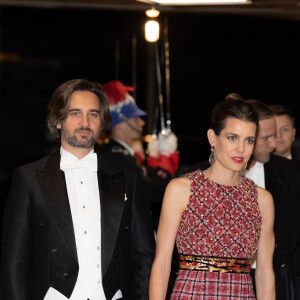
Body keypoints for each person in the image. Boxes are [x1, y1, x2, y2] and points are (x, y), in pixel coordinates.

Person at [1, 79, 155, 300]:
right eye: (75, 113)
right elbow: (13, 262)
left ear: (102, 122)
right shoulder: (28, 178)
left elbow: (144, 256)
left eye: (93, 114)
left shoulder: (128, 177)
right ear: (58, 121)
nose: (85, 122)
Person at [150, 93, 275, 299]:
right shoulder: (181, 189)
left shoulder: (262, 200)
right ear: (212, 138)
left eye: (249, 140)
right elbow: (162, 263)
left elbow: (263, 273)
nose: (241, 149)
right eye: (232, 137)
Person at [99, 80, 179, 230]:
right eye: (135, 119)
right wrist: (165, 157)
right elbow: (151, 192)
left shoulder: (120, 155)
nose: (142, 123)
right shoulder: (119, 159)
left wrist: (154, 157)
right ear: (121, 123)